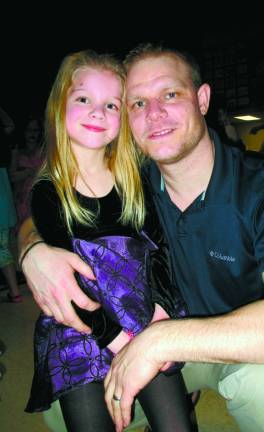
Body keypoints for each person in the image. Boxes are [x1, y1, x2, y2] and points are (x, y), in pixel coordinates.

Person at [19, 44, 264, 432]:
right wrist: (33, 249)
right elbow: (52, 209)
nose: (155, 113)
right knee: (65, 410)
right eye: (137, 103)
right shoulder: (132, 182)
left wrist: (161, 341)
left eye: (170, 94)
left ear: (202, 98)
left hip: (247, 348)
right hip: (152, 340)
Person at [23, 49, 196, 432]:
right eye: (84, 99)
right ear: (59, 107)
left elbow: (159, 253)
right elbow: (72, 290)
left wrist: (160, 313)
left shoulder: (137, 180)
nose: (98, 113)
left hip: (143, 318)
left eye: (111, 105)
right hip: (82, 329)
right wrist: (118, 342)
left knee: (176, 425)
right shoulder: (49, 192)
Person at [0, 106, 22, 302]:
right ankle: (15, 292)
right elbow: (9, 125)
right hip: (4, 211)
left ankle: (15, 292)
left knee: (3, 250)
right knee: (3, 249)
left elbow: (9, 125)